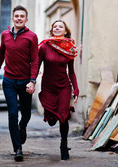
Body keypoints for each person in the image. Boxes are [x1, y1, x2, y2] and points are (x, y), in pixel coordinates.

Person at [0, 5, 38, 162]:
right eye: (16, 16)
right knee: (12, 113)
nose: (19, 18)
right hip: (9, 80)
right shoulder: (5, 35)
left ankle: (23, 126)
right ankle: (17, 148)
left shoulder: (32, 36)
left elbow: (35, 60)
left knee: (26, 113)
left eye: (22, 16)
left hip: (25, 81)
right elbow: (1, 53)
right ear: (12, 18)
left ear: (26, 19)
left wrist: (32, 80)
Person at [37, 20, 79, 160]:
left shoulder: (70, 48)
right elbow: (36, 67)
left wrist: (76, 89)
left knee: (63, 116)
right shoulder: (44, 47)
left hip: (64, 87)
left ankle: (64, 144)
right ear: (52, 30)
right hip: (48, 87)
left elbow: (71, 72)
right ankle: (52, 118)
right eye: (55, 26)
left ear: (65, 31)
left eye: (60, 26)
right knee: (51, 120)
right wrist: (30, 81)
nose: (57, 28)